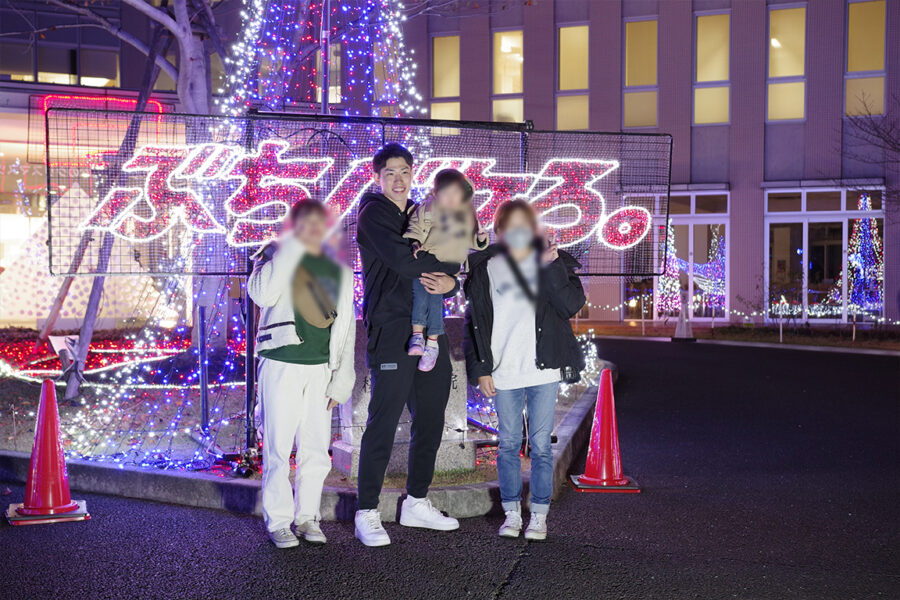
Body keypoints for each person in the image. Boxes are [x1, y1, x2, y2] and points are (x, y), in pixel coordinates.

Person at [354, 143, 462, 547]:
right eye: (390, 173)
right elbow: (403, 262)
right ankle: (367, 510)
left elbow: (454, 251)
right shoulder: (373, 213)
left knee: (432, 418)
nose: (398, 180)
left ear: (413, 173)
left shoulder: (421, 211)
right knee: (383, 421)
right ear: (376, 175)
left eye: (405, 172)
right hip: (391, 329)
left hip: (429, 329)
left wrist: (453, 280)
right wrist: (448, 267)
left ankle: (416, 501)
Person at [463, 199, 586, 541]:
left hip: (542, 372)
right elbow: (475, 324)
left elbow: (570, 306)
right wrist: (481, 370)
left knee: (541, 447)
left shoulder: (548, 263)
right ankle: (512, 513)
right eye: (510, 225)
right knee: (507, 445)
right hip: (503, 374)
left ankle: (540, 516)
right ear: (499, 231)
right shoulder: (485, 268)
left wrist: (552, 264)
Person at [247, 199, 356, 549]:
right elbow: (262, 295)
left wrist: (341, 379)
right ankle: (279, 520)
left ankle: (307, 517)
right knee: (278, 448)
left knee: (315, 449)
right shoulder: (275, 258)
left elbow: (347, 327)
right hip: (281, 364)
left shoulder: (338, 269)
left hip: (320, 368)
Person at [403, 168, 489, 371]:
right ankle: (418, 337)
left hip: (449, 268)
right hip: (427, 262)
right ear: (435, 194)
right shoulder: (426, 209)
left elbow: (475, 243)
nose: (451, 198)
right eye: (445, 192)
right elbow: (415, 228)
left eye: (455, 192)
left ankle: (431, 343)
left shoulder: (466, 215)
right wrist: (415, 243)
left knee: (434, 302)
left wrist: (482, 237)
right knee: (421, 296)